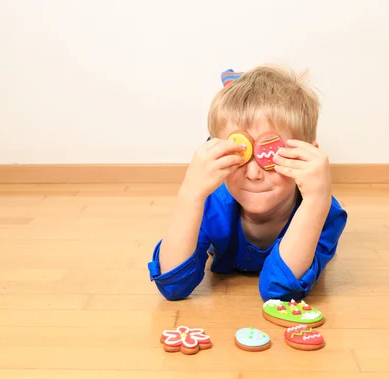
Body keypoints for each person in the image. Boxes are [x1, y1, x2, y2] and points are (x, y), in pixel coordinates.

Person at [147, 65, 348, 301]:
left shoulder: (326, 214)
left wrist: (316, 201)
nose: (253, 173)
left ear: (306, 157)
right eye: (241, 155)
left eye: (271, 154)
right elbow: (173, 285)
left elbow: (280, 290)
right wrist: (190, 193)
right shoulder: (212, 204)